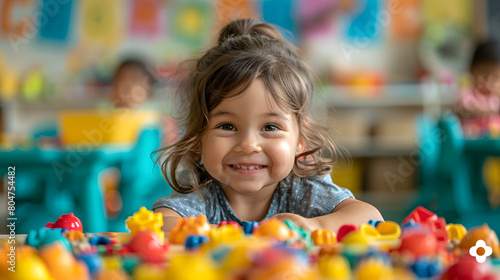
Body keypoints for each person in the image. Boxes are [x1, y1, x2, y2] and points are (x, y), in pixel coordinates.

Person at [153, 18, 383, 233]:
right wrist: (220, 235)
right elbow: (163, 221)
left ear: (300, 140)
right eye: (227, 126)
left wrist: (315, 225)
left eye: (270, 127)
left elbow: (370, 217)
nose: (248, 145)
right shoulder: (200, 192)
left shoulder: (304, 190)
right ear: (197, 139)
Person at [454, 40, 500, 137]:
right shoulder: (467, 94)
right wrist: (494, 110)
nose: (489, 82)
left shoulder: (496, 97)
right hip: (472, 144)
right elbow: (465, 110)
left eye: (496, 77)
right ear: (471, 70)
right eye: (484, 75)